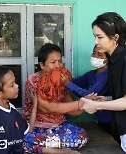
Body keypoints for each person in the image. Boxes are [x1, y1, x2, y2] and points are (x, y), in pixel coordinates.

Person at [23, 43, 88, 153]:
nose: (58, 66)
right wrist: (81, 103)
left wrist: (89, 103)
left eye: (60, 61)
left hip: (59, 125)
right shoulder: (33, 81)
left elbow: (73, 112)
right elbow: (48, 108)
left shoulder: (63, 79)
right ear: (42, 65)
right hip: (37, 127)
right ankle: (57, 150)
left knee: (82, 137)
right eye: (53, 62)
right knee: (26, 140)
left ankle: (46, 148)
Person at [81, 12, 126, 152]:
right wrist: (103, 100)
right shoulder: (114, 60)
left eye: (100, 37)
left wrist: (97, 105)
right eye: (95, 36)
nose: (96, 42)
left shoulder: (124, 59)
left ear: (115, 38)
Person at [61, 45, 112, 134]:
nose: (95, 56)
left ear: (107, 59)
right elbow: (75, 82)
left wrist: (68, 84)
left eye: (100, 54)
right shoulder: (91, 74)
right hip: (100, 119)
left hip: (110, 120)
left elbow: (89, 95)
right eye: (94, 53)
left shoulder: (106, 76)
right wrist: (62, 74)